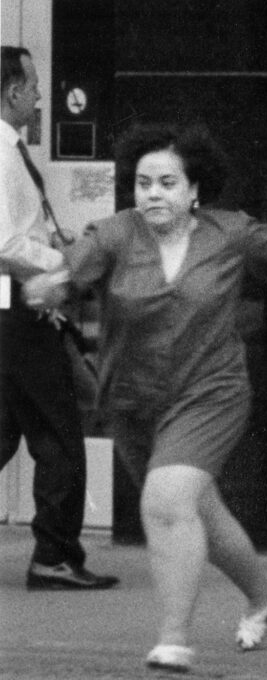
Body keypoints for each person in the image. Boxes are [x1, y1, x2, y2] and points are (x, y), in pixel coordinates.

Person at [25, 121, 267, 674]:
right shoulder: (114, 235)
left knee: (167, 501)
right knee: (201, 512)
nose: (153, 193)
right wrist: (45, 285)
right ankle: (264, 594)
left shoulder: (231, 233)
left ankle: (173, 639)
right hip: (132, 399)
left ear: (194, 189)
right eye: (144, 183)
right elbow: (64, 271)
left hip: (211, 393)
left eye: (168, 183)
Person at [0, 45, 118, 591]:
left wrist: (51, 239)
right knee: (59, 436)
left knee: (4, 432)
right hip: (18, 308)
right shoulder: (1, 152)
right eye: (34, 85)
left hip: (11, 307)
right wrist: (65, 262)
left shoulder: (10, 149)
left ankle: (55, 553)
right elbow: (2, 242)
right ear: (13, 91)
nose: (41, 95)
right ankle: (53, 556)